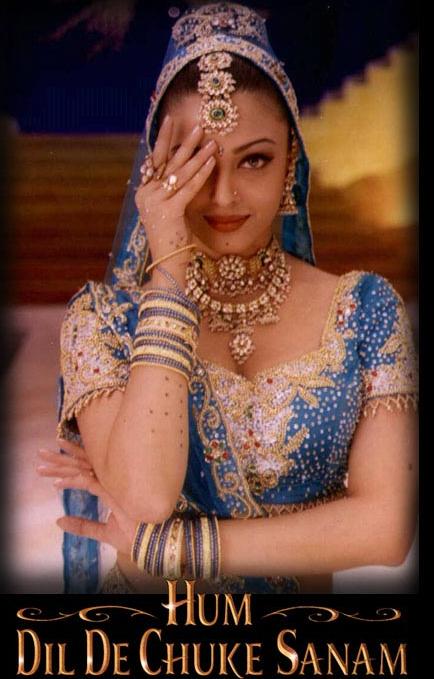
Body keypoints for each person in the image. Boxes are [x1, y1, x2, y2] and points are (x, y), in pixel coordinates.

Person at [37, 2, 418, 594]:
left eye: (254, 160)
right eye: (194, 161)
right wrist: (169, 269)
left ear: (290, 162)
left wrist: (175, 548)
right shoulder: (104, 321)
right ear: (155, 168)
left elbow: (386, 530)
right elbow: (147, 496)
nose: (223, 195)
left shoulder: (364, 311)